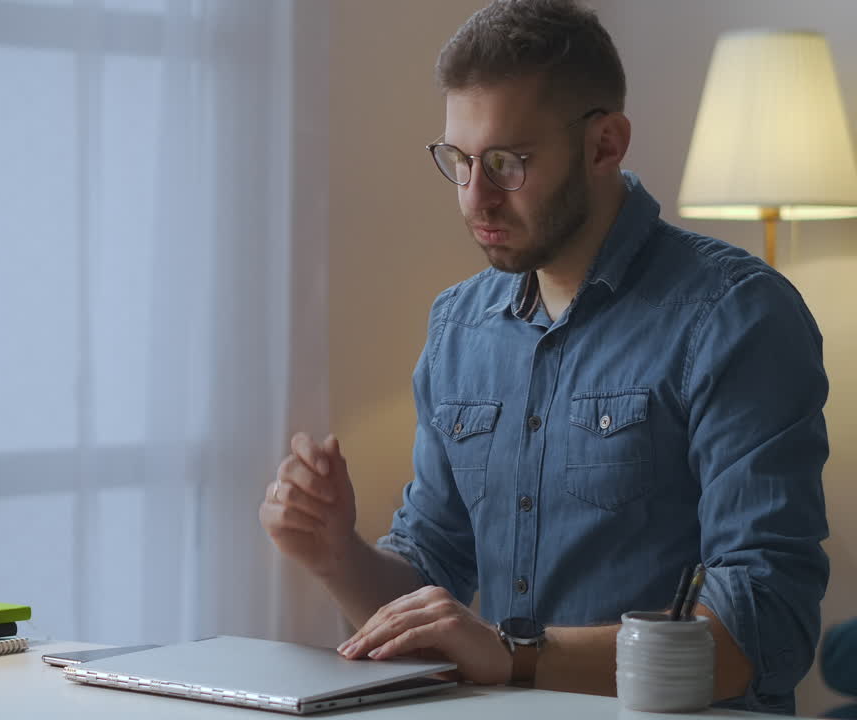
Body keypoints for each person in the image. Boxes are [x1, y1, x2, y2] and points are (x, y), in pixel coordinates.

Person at [258, 0, 829, 715]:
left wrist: (514, 656)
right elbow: (431, 583)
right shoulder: (459, 325)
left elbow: (765, 623)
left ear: (605, 145)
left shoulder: (737, 315)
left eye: (507, 162)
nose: (475, 197)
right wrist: (334, 553)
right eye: (459, 161)